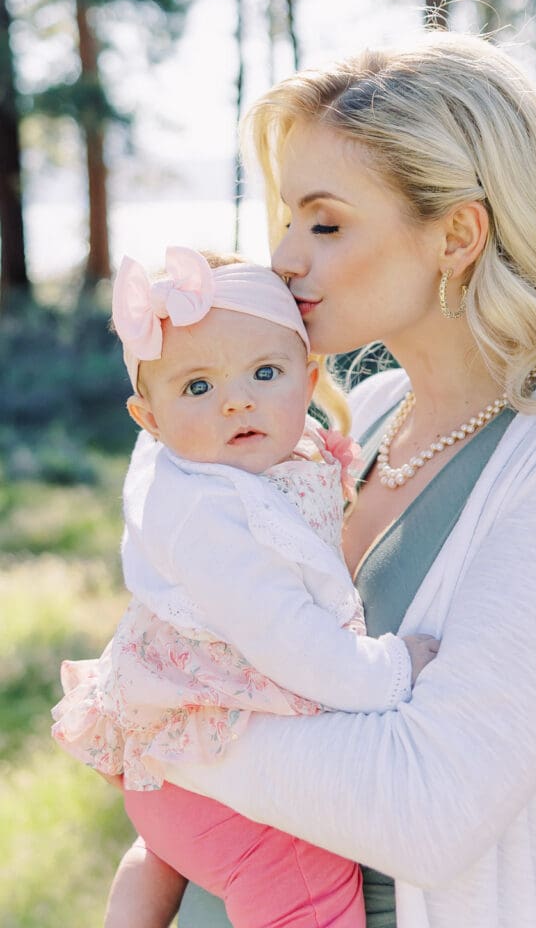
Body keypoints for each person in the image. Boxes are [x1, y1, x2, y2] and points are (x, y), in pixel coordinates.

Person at [114, 31, 536, 928]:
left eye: (325, 223)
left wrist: (147, 716)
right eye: (288, 219)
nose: (285, 256)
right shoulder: (359, 418)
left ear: (458, 233)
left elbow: (426, 810)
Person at [51, 246, 440, 928]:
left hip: (173, 768)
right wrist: (392, 669)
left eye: (266, 372)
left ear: (309, 378)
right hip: (204, 772)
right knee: (307, 883)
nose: (237, 398)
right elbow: (289, 639)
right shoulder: (207, 516)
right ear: (151, 420)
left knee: (165, 850)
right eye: (197, 387)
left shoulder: (260, 458)